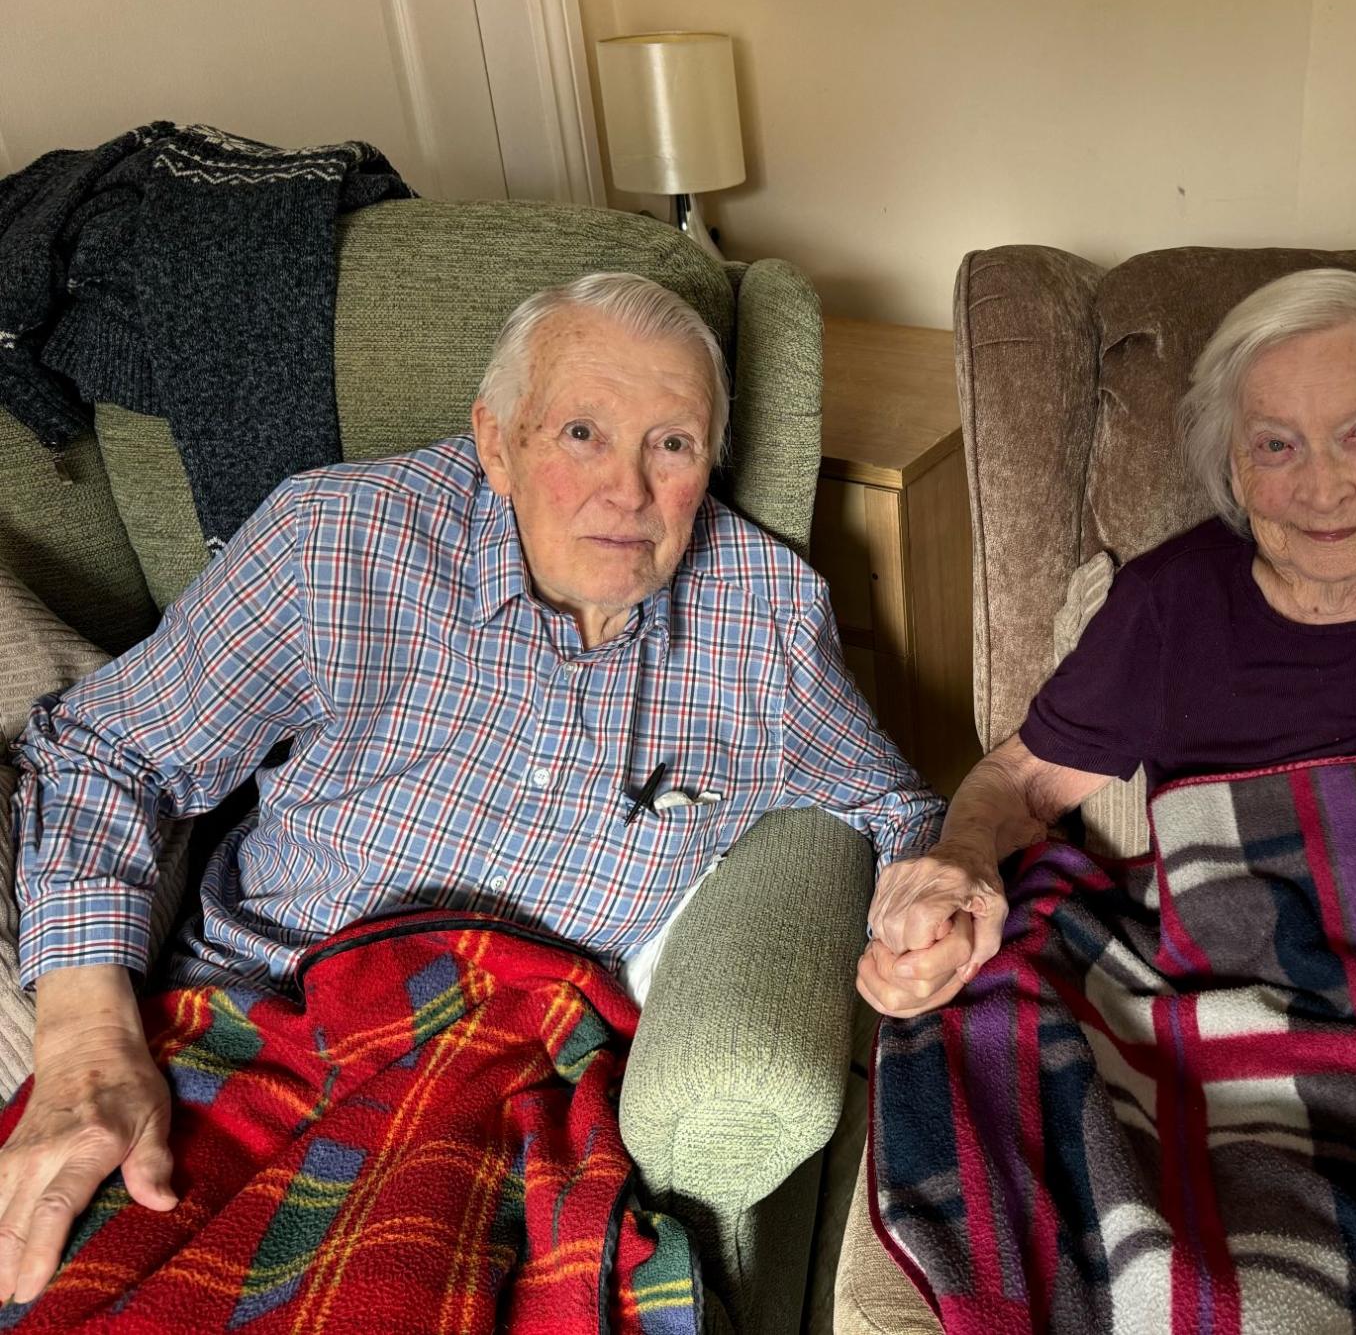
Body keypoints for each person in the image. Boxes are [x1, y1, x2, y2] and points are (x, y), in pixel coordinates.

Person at [2, 272, 941, 1306]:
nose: (627, 490)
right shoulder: (335, 542)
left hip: (514, 1067)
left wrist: (922, 902)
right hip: (263, 1006)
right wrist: (86, 1035)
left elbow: (896, 806)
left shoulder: (764, 621)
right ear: (496, 443)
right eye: (581, 431)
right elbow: (111, 751)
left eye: (671, 443)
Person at [858, 266, 1356, 1018]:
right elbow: (1021, 783)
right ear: (1233, 466)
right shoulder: (1172, 604)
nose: (1322, 489)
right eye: (1276, 445)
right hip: (1252, 995)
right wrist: (960, 859)